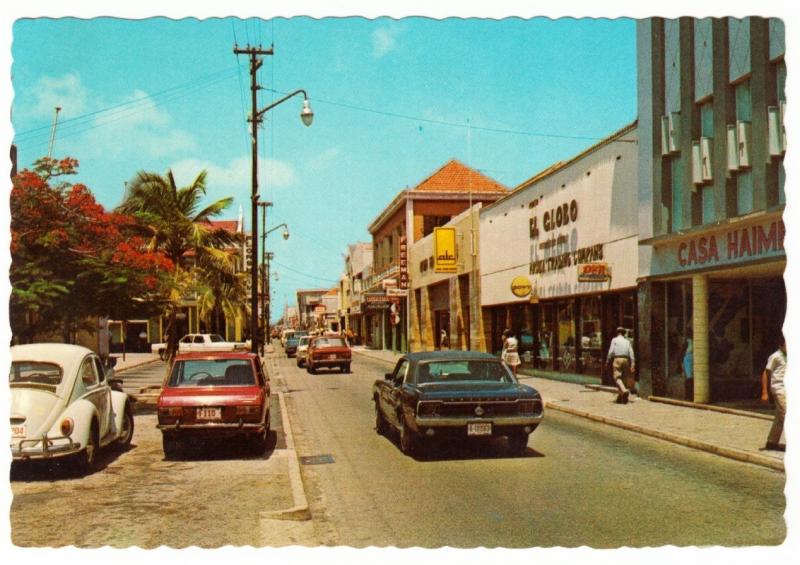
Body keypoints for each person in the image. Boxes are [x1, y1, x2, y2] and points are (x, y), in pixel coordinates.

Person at [762, 337, 787, 451]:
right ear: (780, 346)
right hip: (779, 388)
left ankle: (772, 442)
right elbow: (766, 373)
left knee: (779, 417)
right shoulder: (775, 356)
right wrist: (764, 392)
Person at [606, 326, 636, 404]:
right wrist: (632, 363)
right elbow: (631, 353)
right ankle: (621, 397)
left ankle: (624, 391)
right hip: (626, 360)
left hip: (617, 359)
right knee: (624, 379)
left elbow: (611, 351)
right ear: (624, 333)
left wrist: (608, 360)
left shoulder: (614, 340)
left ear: (617, 333)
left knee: (617, 377)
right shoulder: (627, 341)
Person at [683, 328, 694, 400]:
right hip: (688, 360)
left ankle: (689, 396)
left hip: (691, 360)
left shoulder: (690, 342)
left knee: (689, 378)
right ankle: (688, 396)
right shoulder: (688, 342)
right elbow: (682, 352)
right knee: (689, 378)